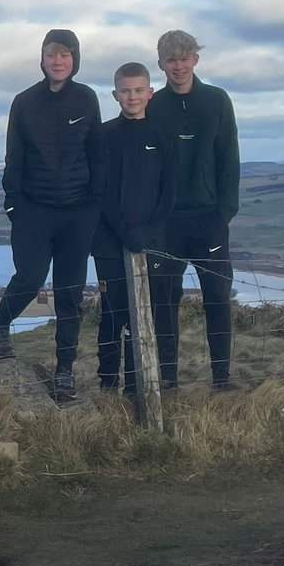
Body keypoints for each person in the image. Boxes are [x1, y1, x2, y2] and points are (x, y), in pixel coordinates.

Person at [0, 29, 104, 403]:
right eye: (51, 54)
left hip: (77, 212)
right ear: (42, 59)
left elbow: (96, 154)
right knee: (30, 277)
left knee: (70, 293)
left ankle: (64, 370)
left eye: (65, 54)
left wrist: (93, 206)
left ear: (74, 59)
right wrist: (14, 205)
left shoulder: (86, 98)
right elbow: (14, 157)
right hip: (33, 210)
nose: (58, 61)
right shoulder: (24, 102)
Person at [146, 29, 240, 390]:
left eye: (184, 58)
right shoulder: (154, 105)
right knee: (164, 302)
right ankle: (168, 381)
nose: (178, 66)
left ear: (195, 59)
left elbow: (229, 157)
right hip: (167, 223)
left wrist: (224, 212)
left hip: (209, 219)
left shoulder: (217, 100)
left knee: (217, 297)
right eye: (171, 60)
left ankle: (222, 380)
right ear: (161, 64)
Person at [91, 63, 175, 396]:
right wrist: (125, 231)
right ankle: (108, 384)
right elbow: (101, 189)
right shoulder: (103, 135)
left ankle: (142, 385)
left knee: (149, 313)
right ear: (115, 95)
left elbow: (169, 191)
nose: (132, 96)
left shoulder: (163, 136)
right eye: (125, 91)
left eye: (139, 90)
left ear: (150, 93)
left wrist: (149, 230)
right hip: (109, 240)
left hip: (153, 240)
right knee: (113, 314)